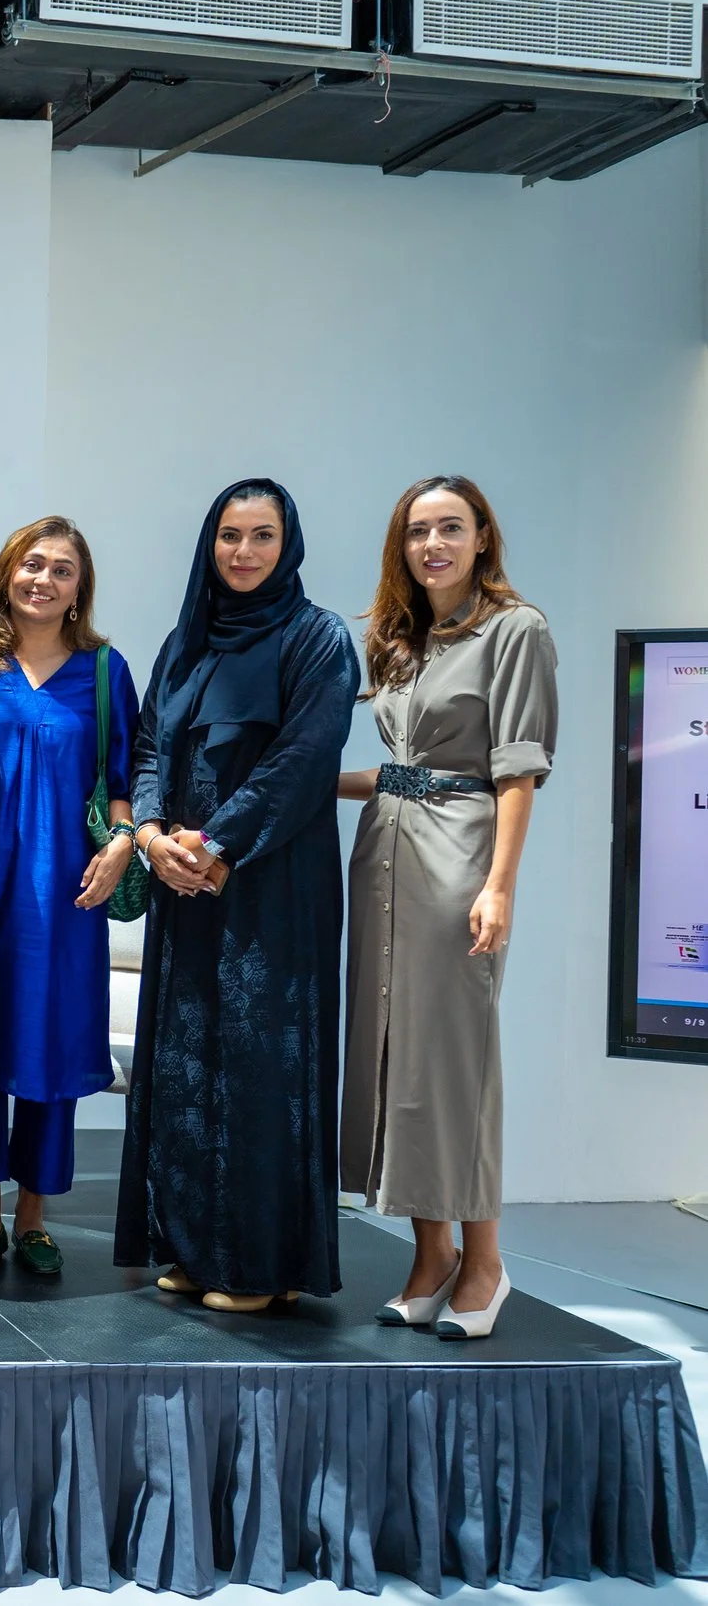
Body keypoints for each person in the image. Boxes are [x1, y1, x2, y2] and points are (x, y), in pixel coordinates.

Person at [117, 479, 358, 1312]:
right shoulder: (187, 640)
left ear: (287, 544)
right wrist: (152, 836)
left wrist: (216, 845)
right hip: (186, 882)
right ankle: (191, 1243)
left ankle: (255, 1261)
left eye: (261, 536)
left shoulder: (318, 638)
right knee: (188, 1061)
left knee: (259, 1068)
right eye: (230, 535)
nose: (244, 552)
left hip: (271, 883)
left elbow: (303, 761)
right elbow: (148, 744)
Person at [341, 476, 555, 1341]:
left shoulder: (516, 630)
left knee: (456, 1062)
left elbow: (517, 769)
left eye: (450, 528)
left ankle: (485, 1263)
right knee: (397, 1058)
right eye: (418, 530)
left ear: (481, 537)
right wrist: (302, 786)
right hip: (386, 852)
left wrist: (499, 882)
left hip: (460, 855)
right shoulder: (400, 640)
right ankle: (428, 1258)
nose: (434, 543)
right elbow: (395, 767)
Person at [0, 518, 141, 1277]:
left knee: (46, 1043)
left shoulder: (104, 670)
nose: (45, 579)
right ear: (6, 573)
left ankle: (31, 1214)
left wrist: (122, 843)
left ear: (80, 588)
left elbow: (127, 781)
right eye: (32, 564)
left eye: (62, 570)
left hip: (65, 892)